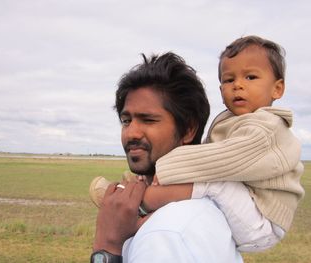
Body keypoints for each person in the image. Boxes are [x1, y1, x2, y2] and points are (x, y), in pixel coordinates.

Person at [138, 35, 305, 252]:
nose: (238, 85)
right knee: (204, 180)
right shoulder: (227, 120)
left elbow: (224, 159)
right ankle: (140, 188)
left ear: (277, 89)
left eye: (251, 77)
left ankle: (141, 203)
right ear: (220, 90)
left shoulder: (268, 128)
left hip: (264, 221)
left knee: (213, 181)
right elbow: (204, 154)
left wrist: (166, 166)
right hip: (245, 204)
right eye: (228, 80)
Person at [90, 52, 243, 262]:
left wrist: (106, 247)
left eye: (149, 120)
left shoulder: (165, 234)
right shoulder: (199, 207)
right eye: (126, 120)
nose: (131, 132)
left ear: (189, 129)